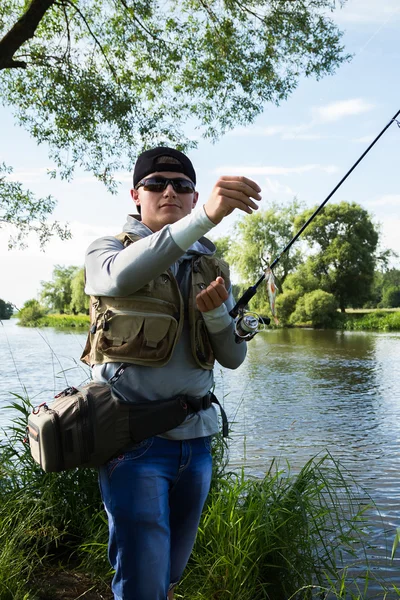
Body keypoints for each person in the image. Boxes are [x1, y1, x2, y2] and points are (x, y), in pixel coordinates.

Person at [83, 147, 261, 600]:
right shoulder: (106, 251)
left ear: (193, 193)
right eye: (157, 183)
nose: (169, 192)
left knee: (169, 571)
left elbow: (234, 359)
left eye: (182, 186)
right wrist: (203, 217)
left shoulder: (212, 267)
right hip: (134, 445)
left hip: (197, 445)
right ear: (135, 195)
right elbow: (121, 279)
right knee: (143, 579)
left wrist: (219, 317)